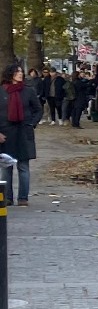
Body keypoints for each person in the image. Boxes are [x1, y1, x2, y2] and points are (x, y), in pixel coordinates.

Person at [0, 64, 40, 205]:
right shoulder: (2, 91)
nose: (20, 74)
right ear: (10, 74)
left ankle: (23, 198)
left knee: (23, 167)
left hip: (24, 132)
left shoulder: (28, 91)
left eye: (21, 72)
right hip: (6, 134)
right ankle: (7, 198)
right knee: (6, 168)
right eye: (17, 72)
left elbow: (37, 110)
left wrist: (31, 124)